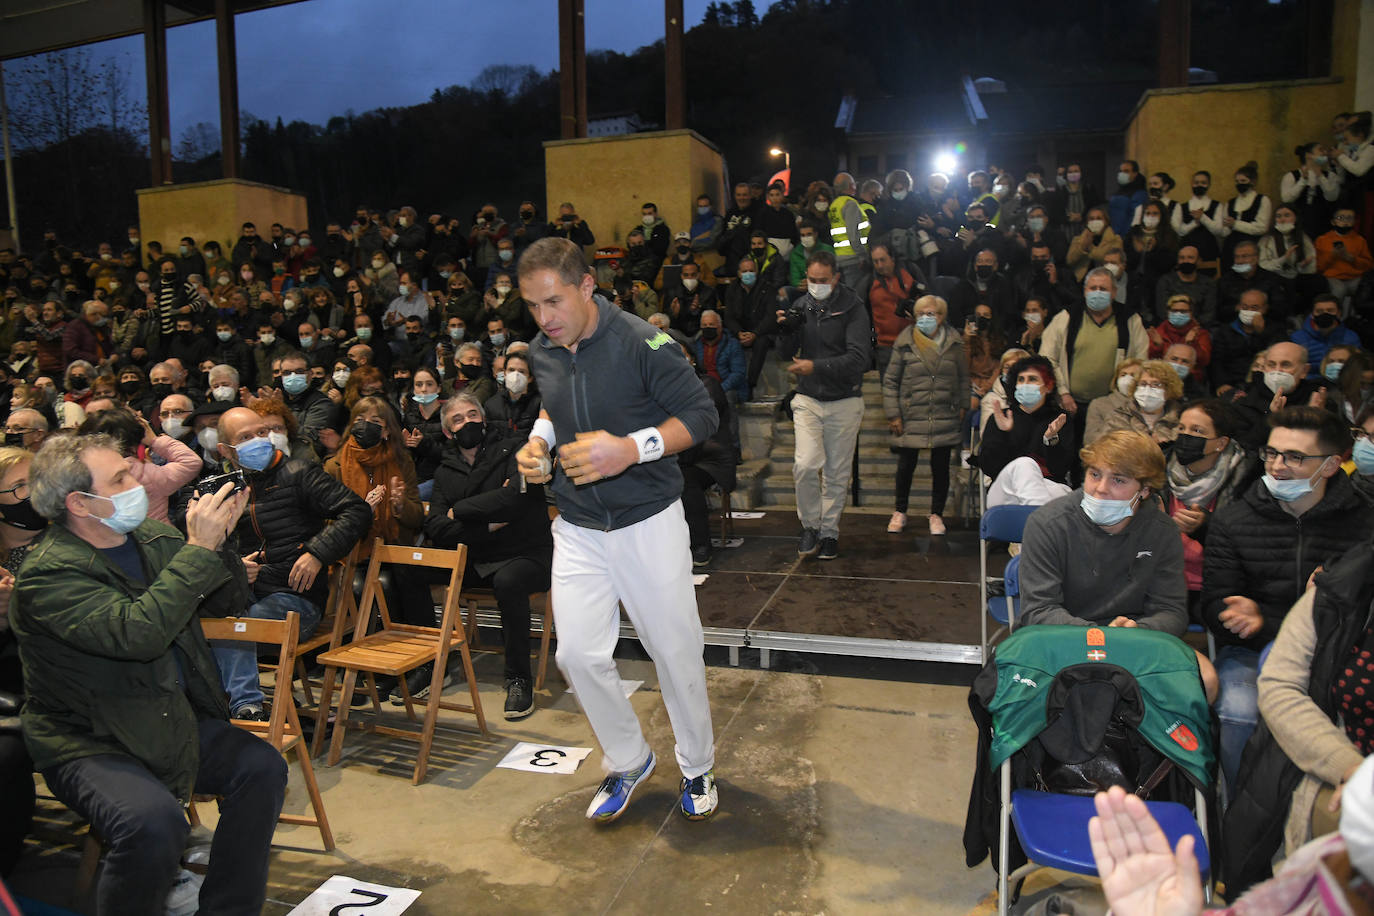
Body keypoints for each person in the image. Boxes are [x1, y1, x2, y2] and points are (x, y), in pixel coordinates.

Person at [13, 434, 286, 914]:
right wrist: (198, 549)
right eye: (119, 477)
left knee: (261, 768)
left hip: (164, 715)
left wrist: (220, 540)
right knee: (152, 822)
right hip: (89, 737)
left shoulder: (156, 539)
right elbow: (137, 635)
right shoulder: (47, 575)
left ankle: (228, 908)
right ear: (79, 502)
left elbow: (225, 603)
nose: (135, 478)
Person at [515, 237, 719, 822]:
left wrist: (631, 449)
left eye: (553, 301)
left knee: (674, 651)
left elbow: (702, 416)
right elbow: (554, 403)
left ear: (586, 287)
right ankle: (629, 759)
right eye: (532, 306)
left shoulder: (643, 342)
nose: (544, 318)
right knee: (576, 655)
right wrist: (539, 442)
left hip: (647, 522)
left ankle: (699, 764)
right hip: (578, 524)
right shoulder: (543, 348)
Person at [1200, 407, 1373, 793]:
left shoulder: (1364, 524)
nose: (1277, 466)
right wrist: (1240, 616)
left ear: (1330, 465)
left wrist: (1315, 605)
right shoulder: (1234, 520)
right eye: (1272, 453)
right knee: (1240, 712)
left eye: (1294, 457)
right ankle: (1240, 817)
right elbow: (1212, 605)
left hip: (1341, 653)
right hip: (1252, 653)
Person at [211, 406, 371, 720]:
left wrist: (317, 553)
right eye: (246, 437)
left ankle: (246, 706)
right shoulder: (225, 487)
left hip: (296, 597)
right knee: (204, 623)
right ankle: (231, 705)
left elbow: (357, 511)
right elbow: (205, 544)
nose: (258, 440)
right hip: (244, 593)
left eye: (260, 432)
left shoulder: (300, 472)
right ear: (226, 450)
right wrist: (234, 564)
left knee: (236, 629)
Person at [424, 393, 553, 719]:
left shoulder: (515, 448)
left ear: (483, 418)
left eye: (473, 415)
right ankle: (428, 664)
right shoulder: (445, 470)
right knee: (409, 570)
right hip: (478, 554)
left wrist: (461, 510)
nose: (468, 422)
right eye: (458, 419)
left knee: (509, 582)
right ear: (449, 432)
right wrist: (488, 523)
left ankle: (518, 678)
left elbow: (517, 499)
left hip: (526, 553)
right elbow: (436, 525)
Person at [1018, 429, 1189, 636]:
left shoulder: (1163, 532)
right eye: (1095, 474)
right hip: (1060, 639)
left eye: (1118, 480)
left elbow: (1171, 612)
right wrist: (1103, 637)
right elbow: (1038, 610)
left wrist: (1140, 630)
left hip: (1134, 641)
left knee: (1202, 667)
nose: (1101, 488)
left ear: (1144, 490)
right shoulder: (1047, 524)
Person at [323, 396, 426, 700]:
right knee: (364, 584)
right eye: (359, 420)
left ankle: (404, 664)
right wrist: (360, 514)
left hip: (393, 548)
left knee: (398, 578)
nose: (365, 426)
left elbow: (417, 516)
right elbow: (326, 522)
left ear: (386, 432)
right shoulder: (335, 465)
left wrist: (398, 506)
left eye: (375, 422)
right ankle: (365, 665)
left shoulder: (401, 460)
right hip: (352, 553)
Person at [778, 250, 873, 558]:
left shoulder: (853, 307)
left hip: (844, 399)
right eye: (811, 280)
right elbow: (786, 352)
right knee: (805, 464)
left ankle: (829, 532)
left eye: (823, 280)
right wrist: (787, 330)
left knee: (836, 472)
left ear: (835, 278)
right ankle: (810, 525)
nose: (816, 285)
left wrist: (815, 366)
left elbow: (859, 358)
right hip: (807, 398)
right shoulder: (800, 305)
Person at [1160, 399, 1253, 622]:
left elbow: (1248, 544)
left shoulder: (1245, 479)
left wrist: (1205, 527)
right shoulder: (1158, 469)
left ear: (1221, 443)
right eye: (1181, 428)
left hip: (1213, 589)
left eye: (1197, 430)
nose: (1185, 436)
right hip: (1161, 584)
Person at [1040, 267, 1149, 457]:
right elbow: (1047, 358)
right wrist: (1063, 393)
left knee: (1105, 455)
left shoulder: (1130, 320)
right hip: (1069, 402)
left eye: (1103, 289)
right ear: (1084, 290)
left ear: (1114, 292)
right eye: (1093, 288)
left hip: (1113, 404)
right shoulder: (1067, 317)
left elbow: (1142, 360)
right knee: (1070, 455)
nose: (1097, 293)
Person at [883, 294, 967, 535]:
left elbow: (962, 377)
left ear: (941, 317)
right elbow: (890, 381)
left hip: (943, 412)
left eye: (931, 313)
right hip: (911, 413)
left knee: (940, 467)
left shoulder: (954, 343)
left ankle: (936, 514)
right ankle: (900, 510)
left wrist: (962, 404)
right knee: (905, 465)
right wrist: (893, 413)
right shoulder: (904, 342)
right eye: (921, 314)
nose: (925, 318)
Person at [0, 447, 44, 877]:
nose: (32, 495)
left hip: (44, 690)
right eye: (17, 488)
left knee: (7, 755)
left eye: (35, 481)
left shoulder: (70, 541)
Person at [978, 354, 1074, 508]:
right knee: (1025, 465)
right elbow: (990, 468)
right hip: (1007, 489)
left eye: (1032, 379)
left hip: (1049, 486)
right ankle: (1035, 525)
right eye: (1021, 380)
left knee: (1063, 495)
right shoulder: (1001, 417)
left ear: (1048, 386)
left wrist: (1051, 440)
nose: (1025, 384)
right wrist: (1004, 433)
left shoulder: (1060, 420)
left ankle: (1033, 522)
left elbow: (1060, 469)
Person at [80, 407, 202, 524]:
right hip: (158, 539)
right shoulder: (145, 473)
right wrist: (154, 440)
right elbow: (191, 462)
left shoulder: (80, 474)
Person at [1084, 358, 1184, 447]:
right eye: (1143, 384)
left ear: (1169, 390)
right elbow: (1100, 448)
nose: (1148, 389)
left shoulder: (1180, 419)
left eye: (1156, 384)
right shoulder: (1119, 416)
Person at [1291, 292, 1361, 380]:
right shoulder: (1297, 338)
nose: (1324, 314)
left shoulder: (1351, 337)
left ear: (1339, 313)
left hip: (1343, 382)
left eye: (1330, 311)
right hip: (1309, 383)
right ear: (1312, 314)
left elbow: (1357, 366)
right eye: (1319, 311)